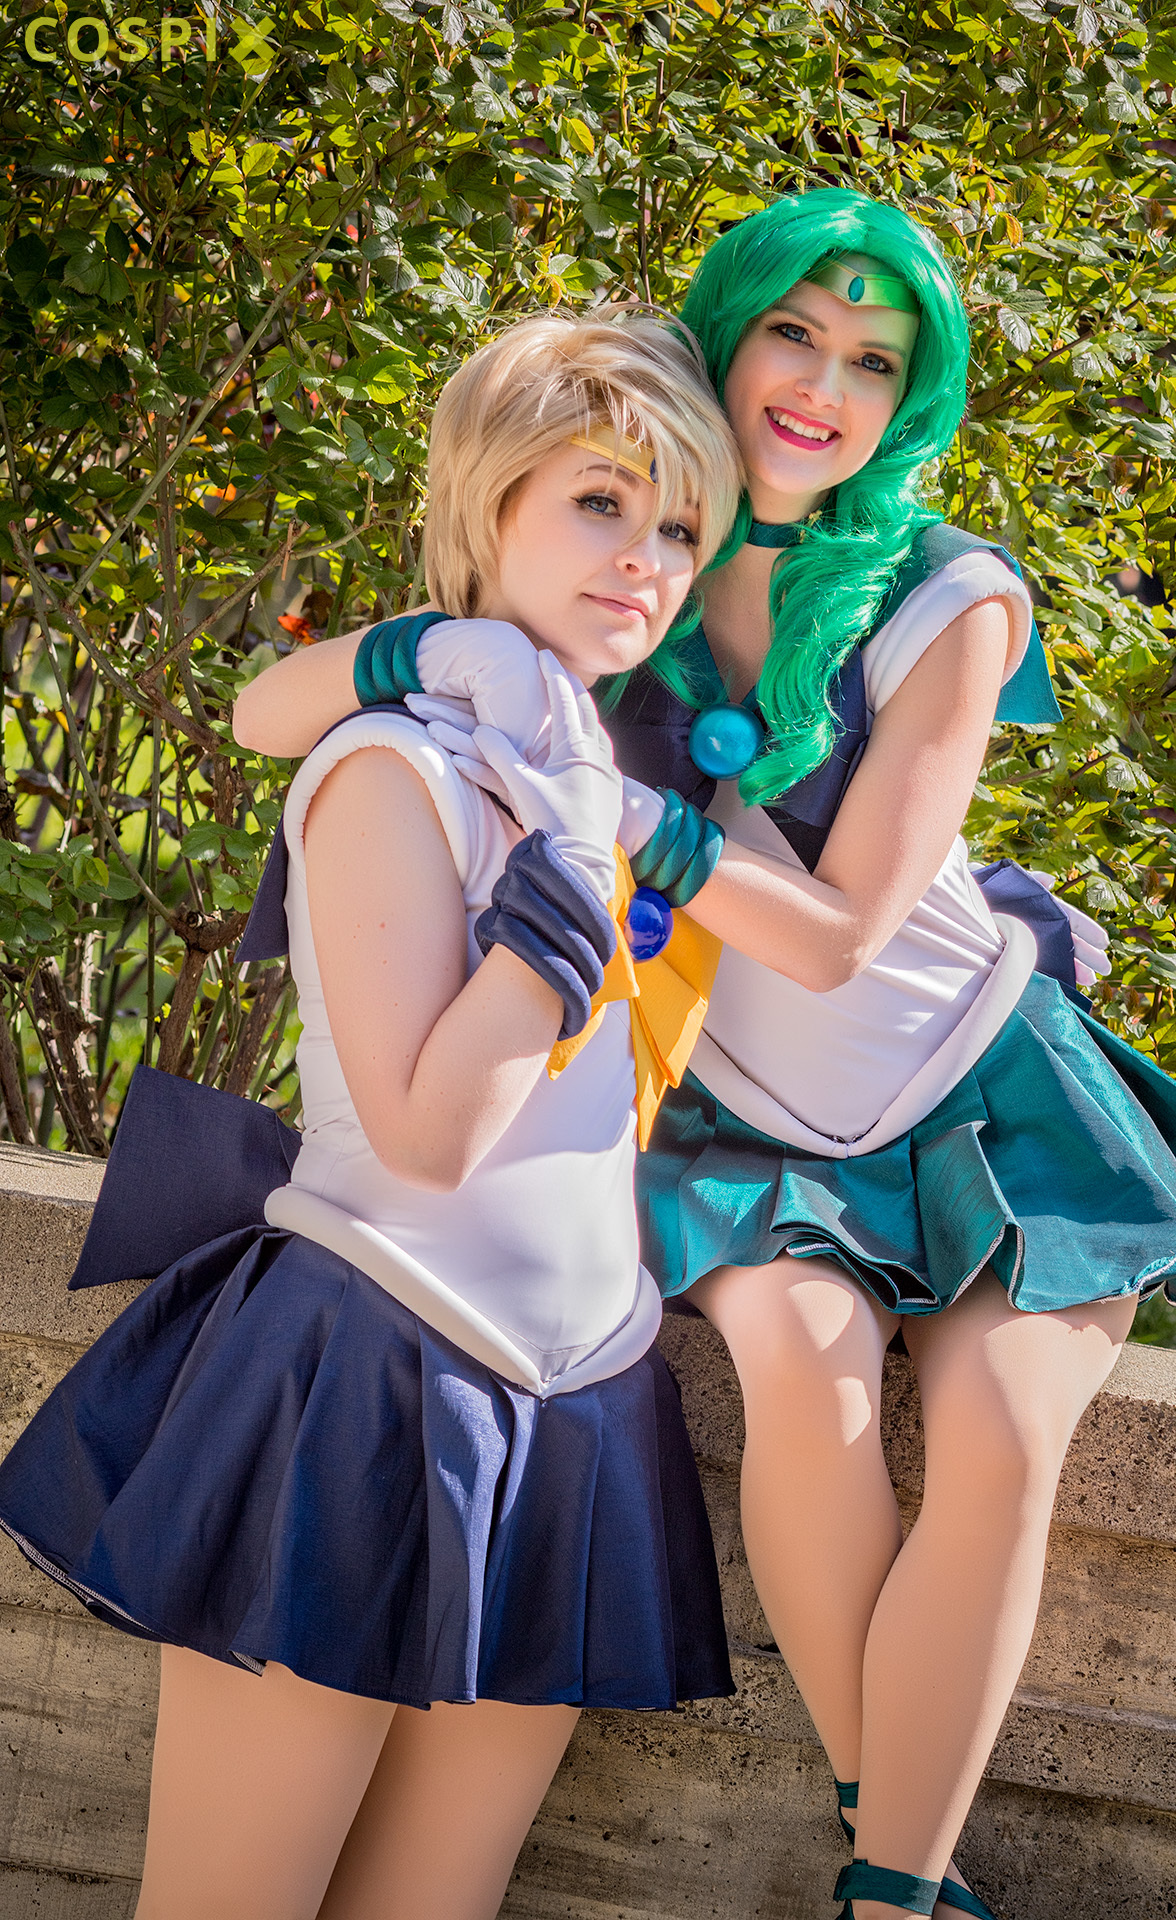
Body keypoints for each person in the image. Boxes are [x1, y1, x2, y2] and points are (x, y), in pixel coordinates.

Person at [232, 191, 1176, 1920]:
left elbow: (845, 931)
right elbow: (276, 718)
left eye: (875, 360)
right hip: (751, 1119)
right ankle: (900, 1849)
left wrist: (614, 810)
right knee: (804, 1375)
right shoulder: (634, 534)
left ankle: (895, 1885)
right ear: (723, 332)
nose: (822, 386)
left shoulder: (950, 594)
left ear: (910, 399)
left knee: (1004, 1433)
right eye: (794, 331)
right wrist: (435, 648)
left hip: (984, 1084)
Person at [0, 313, 744, 1920]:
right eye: (601, 502)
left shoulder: (596, 775)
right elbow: (430, 1135)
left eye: (682, 525)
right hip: (367, 1373)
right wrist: (568, 880)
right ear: (489, 506)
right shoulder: (394, 768)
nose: (647, 557)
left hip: (585, 1401)